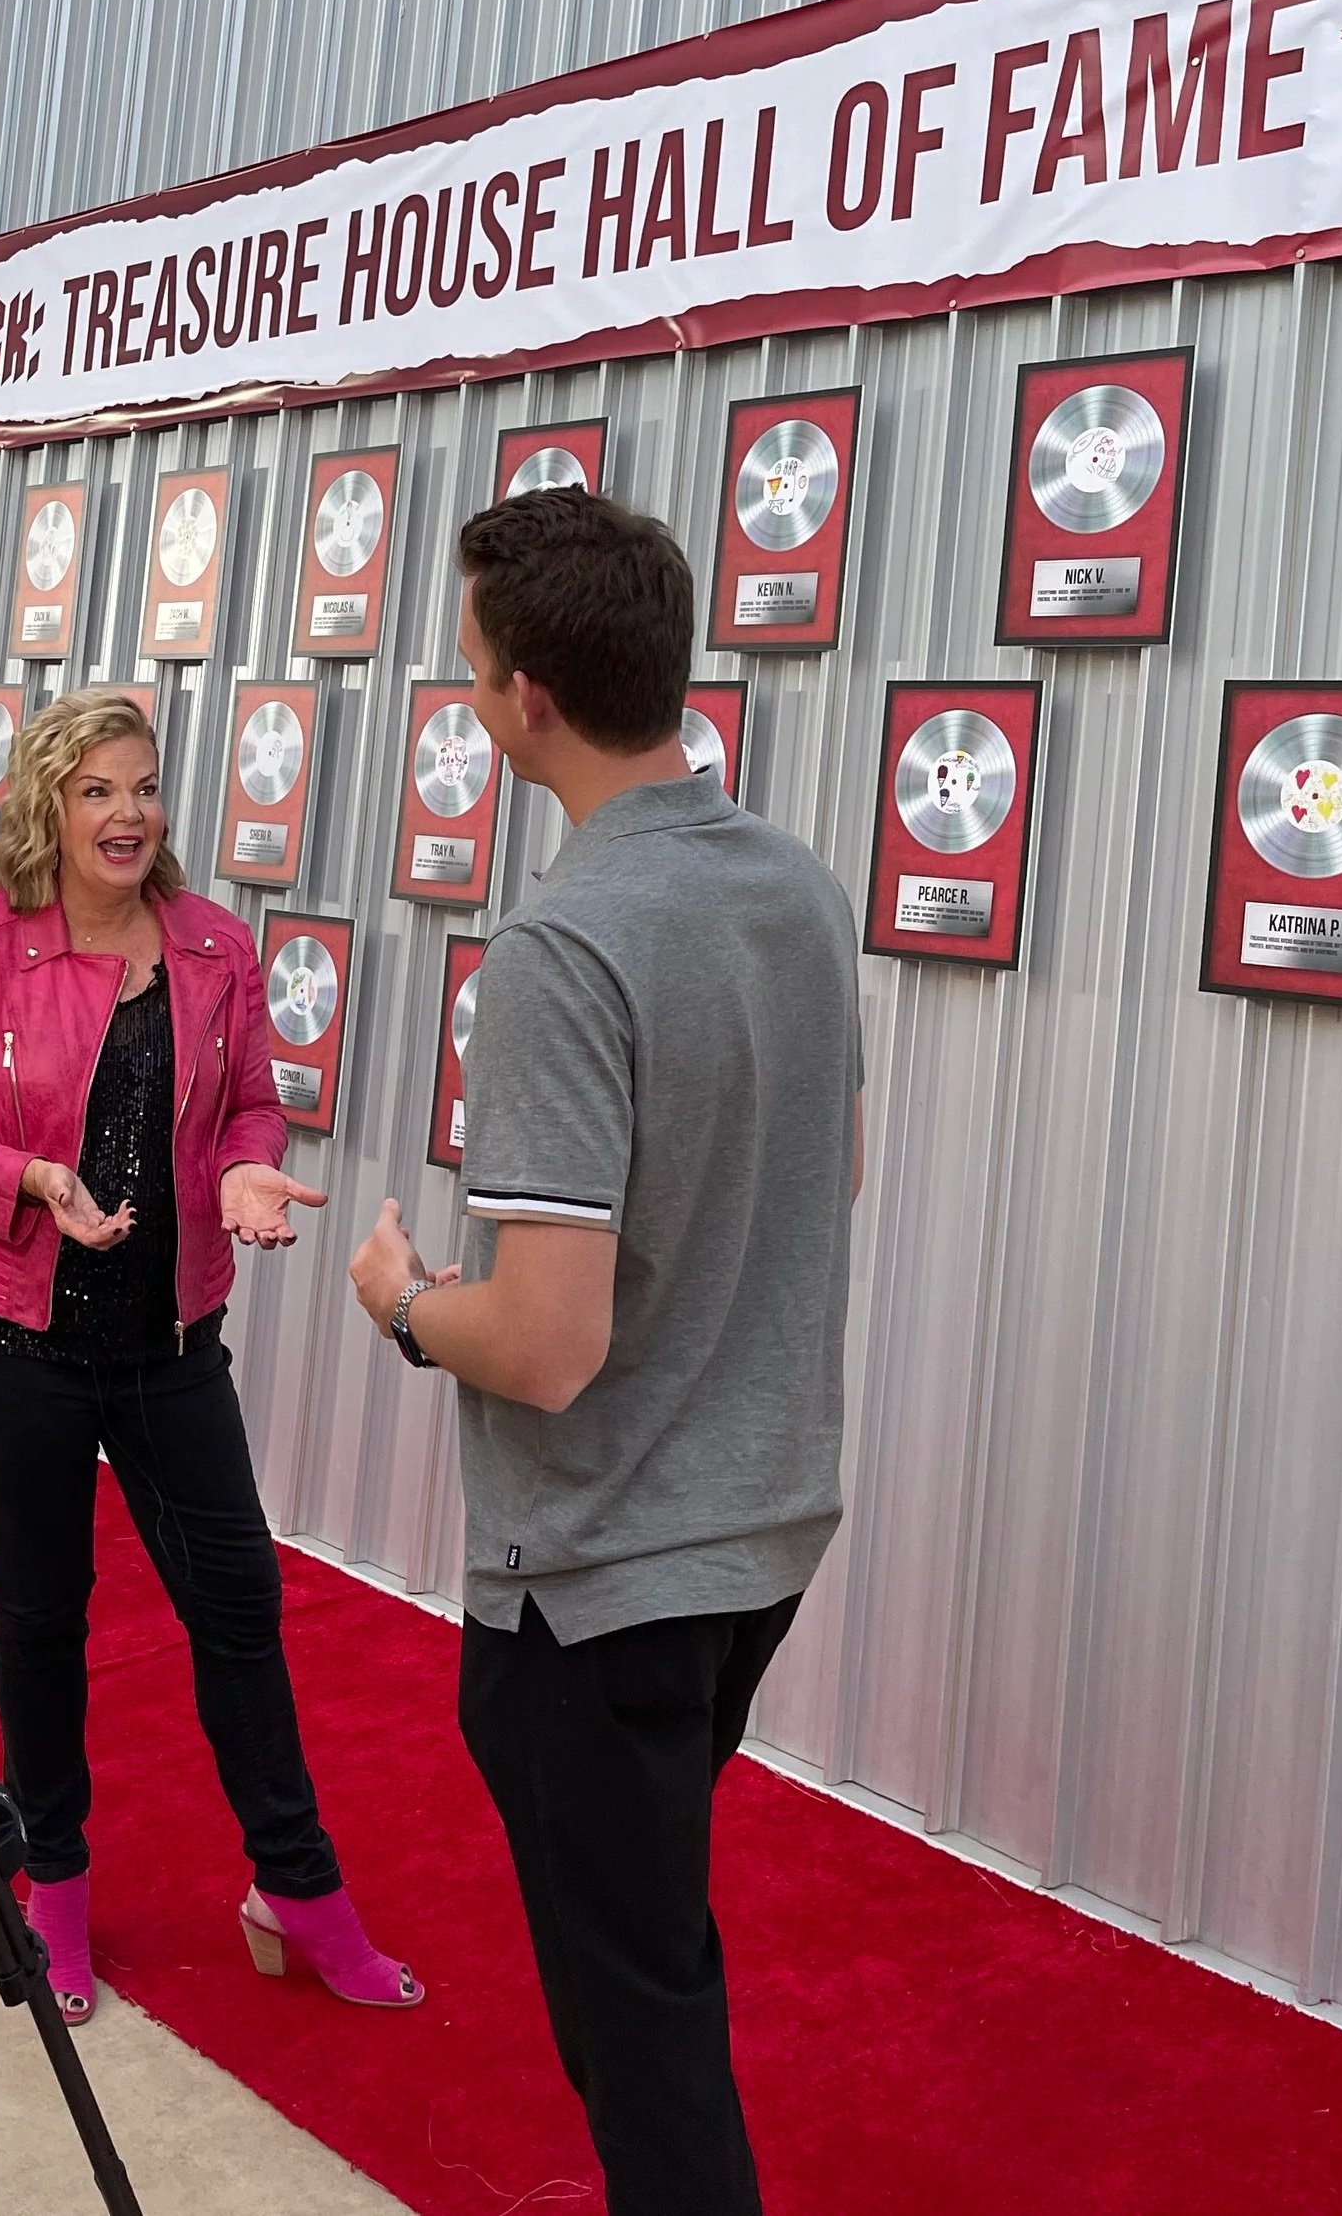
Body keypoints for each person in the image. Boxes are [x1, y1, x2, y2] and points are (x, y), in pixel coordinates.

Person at [347, 489, 863, 2216]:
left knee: (642, 2035)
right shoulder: (793, 881)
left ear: (530, 704)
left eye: (476, 671)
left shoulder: (563, 951)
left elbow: (548, 1347)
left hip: (600, 1581)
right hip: (760, 1536)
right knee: (658, 1956)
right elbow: (827, 1171)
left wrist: (406, 1305)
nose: (474, 694)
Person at [0, 687, 419, 2024]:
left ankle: (294, 1887)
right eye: (99, 790)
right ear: (49, 807)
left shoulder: (217, 945)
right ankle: (52, 1889)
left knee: (239, 1609)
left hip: (169, 1342)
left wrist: (244, 1175)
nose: (129, 814)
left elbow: (247, 1107)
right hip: (10, 1339)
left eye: (146, 786)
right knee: (42, 1620)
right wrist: (35, 1179)